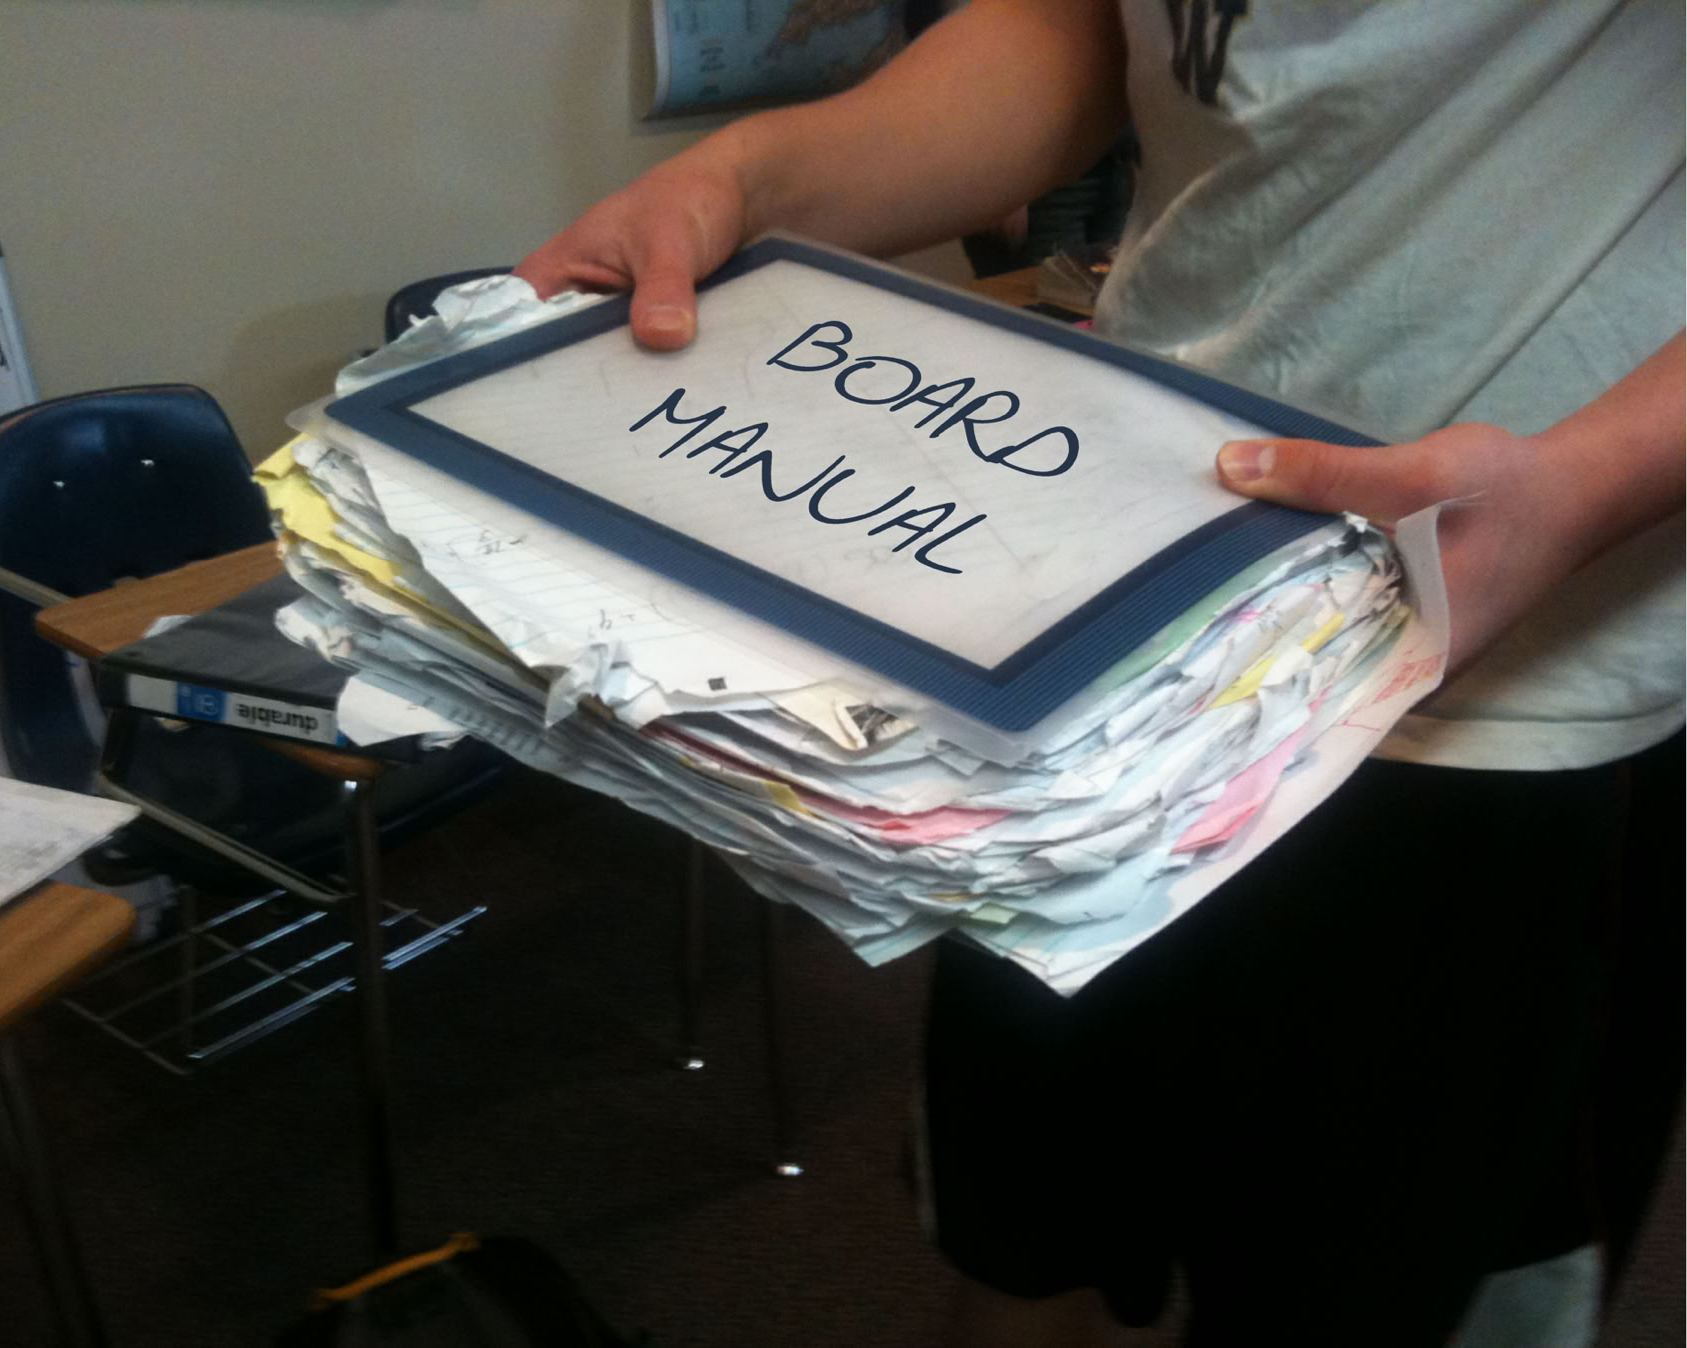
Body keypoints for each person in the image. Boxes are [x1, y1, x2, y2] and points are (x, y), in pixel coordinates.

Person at [516, 2, 1684, 1343]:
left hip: (1503, 707)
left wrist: (1590, 485)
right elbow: (1077, 27)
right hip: (1111, 619)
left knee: (1381, 1298)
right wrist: (751, 174)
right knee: (1035, 1238)